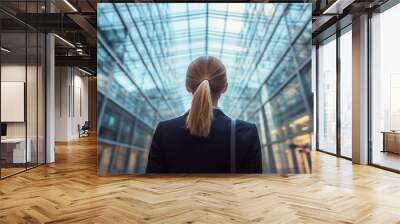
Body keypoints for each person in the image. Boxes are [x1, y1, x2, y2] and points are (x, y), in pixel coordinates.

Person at [146, 56, 262, 173]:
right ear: (225, 87)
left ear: (187, 86)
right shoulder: (246, 132)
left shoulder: (164, 131)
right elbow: (253, 188)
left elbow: (151, 185)